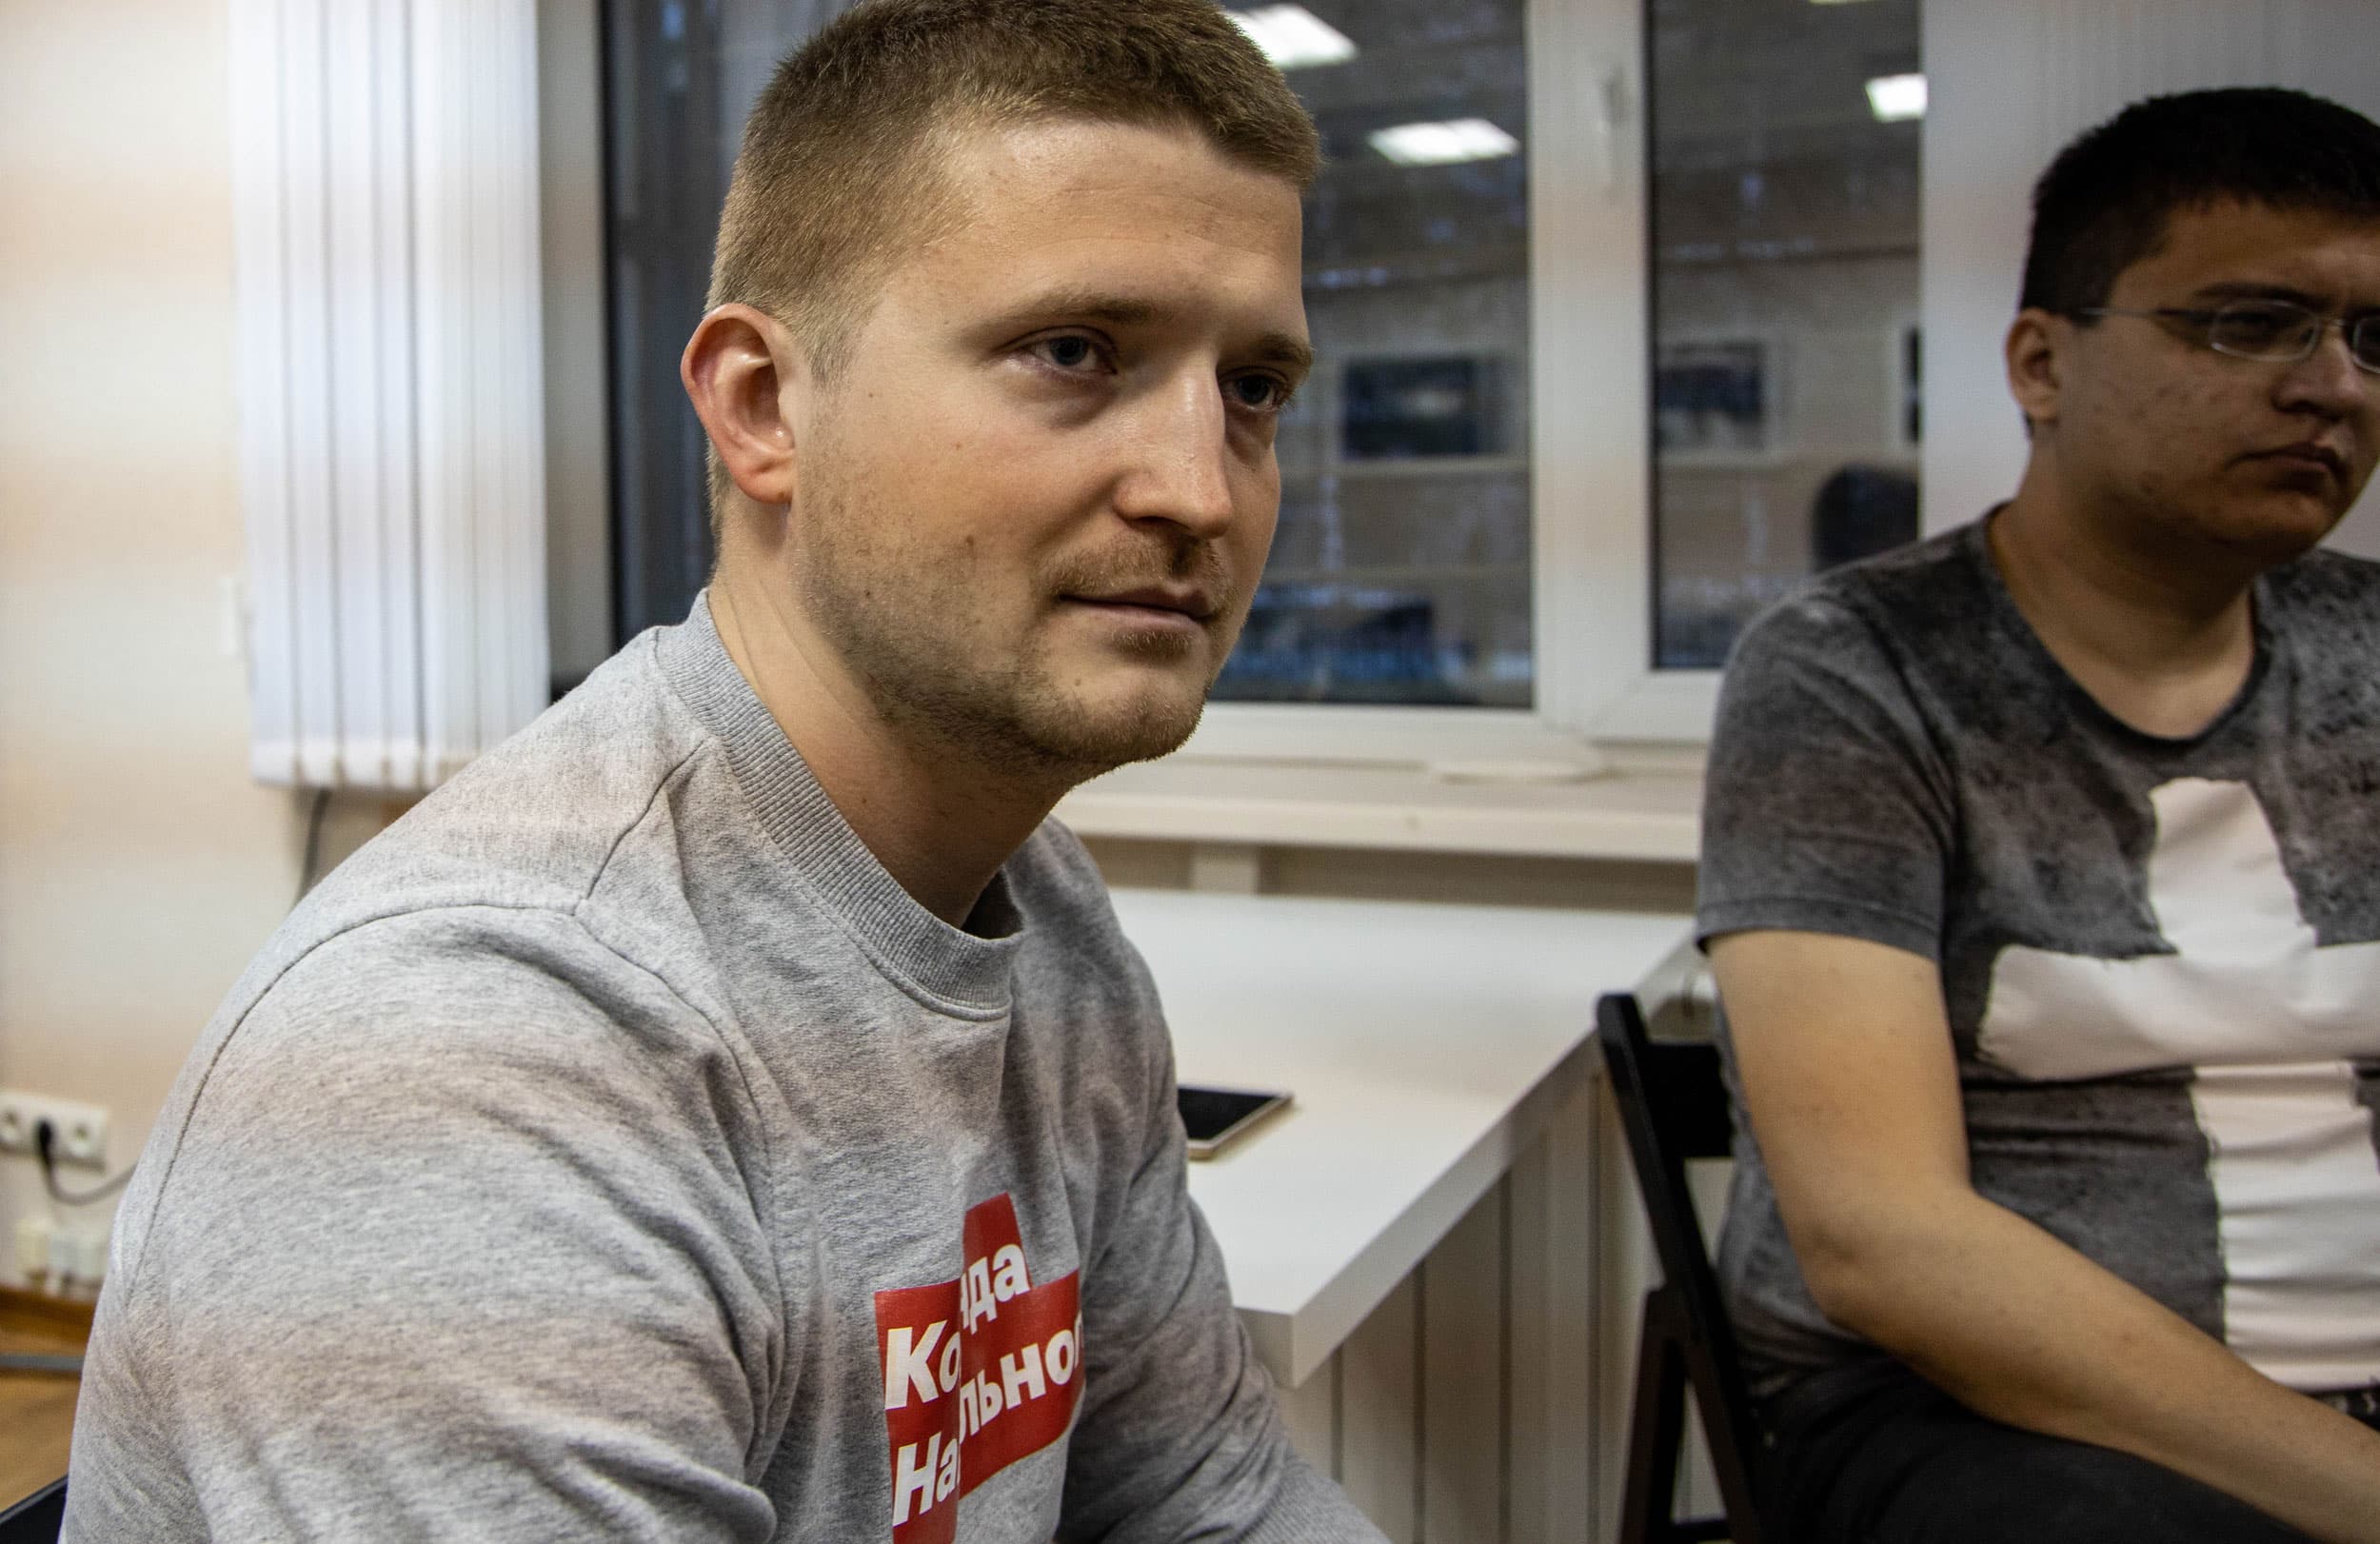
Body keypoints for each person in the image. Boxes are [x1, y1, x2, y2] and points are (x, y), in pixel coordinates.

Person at [63, 2, 1384, 1539]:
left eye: (1254, 389)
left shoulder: (1043, 918)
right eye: (1075, 351)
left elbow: (1209, 1499)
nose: (1200, 489)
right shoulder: (476, 1056)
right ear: (764, 405)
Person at [1698, 87, 2380, 1544]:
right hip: (1995, 1421)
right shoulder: (1855, 669)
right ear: (2041, 360)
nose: (2335, 385)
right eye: (2250, 324)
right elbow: (1884, 1239)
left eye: (2374, 339)